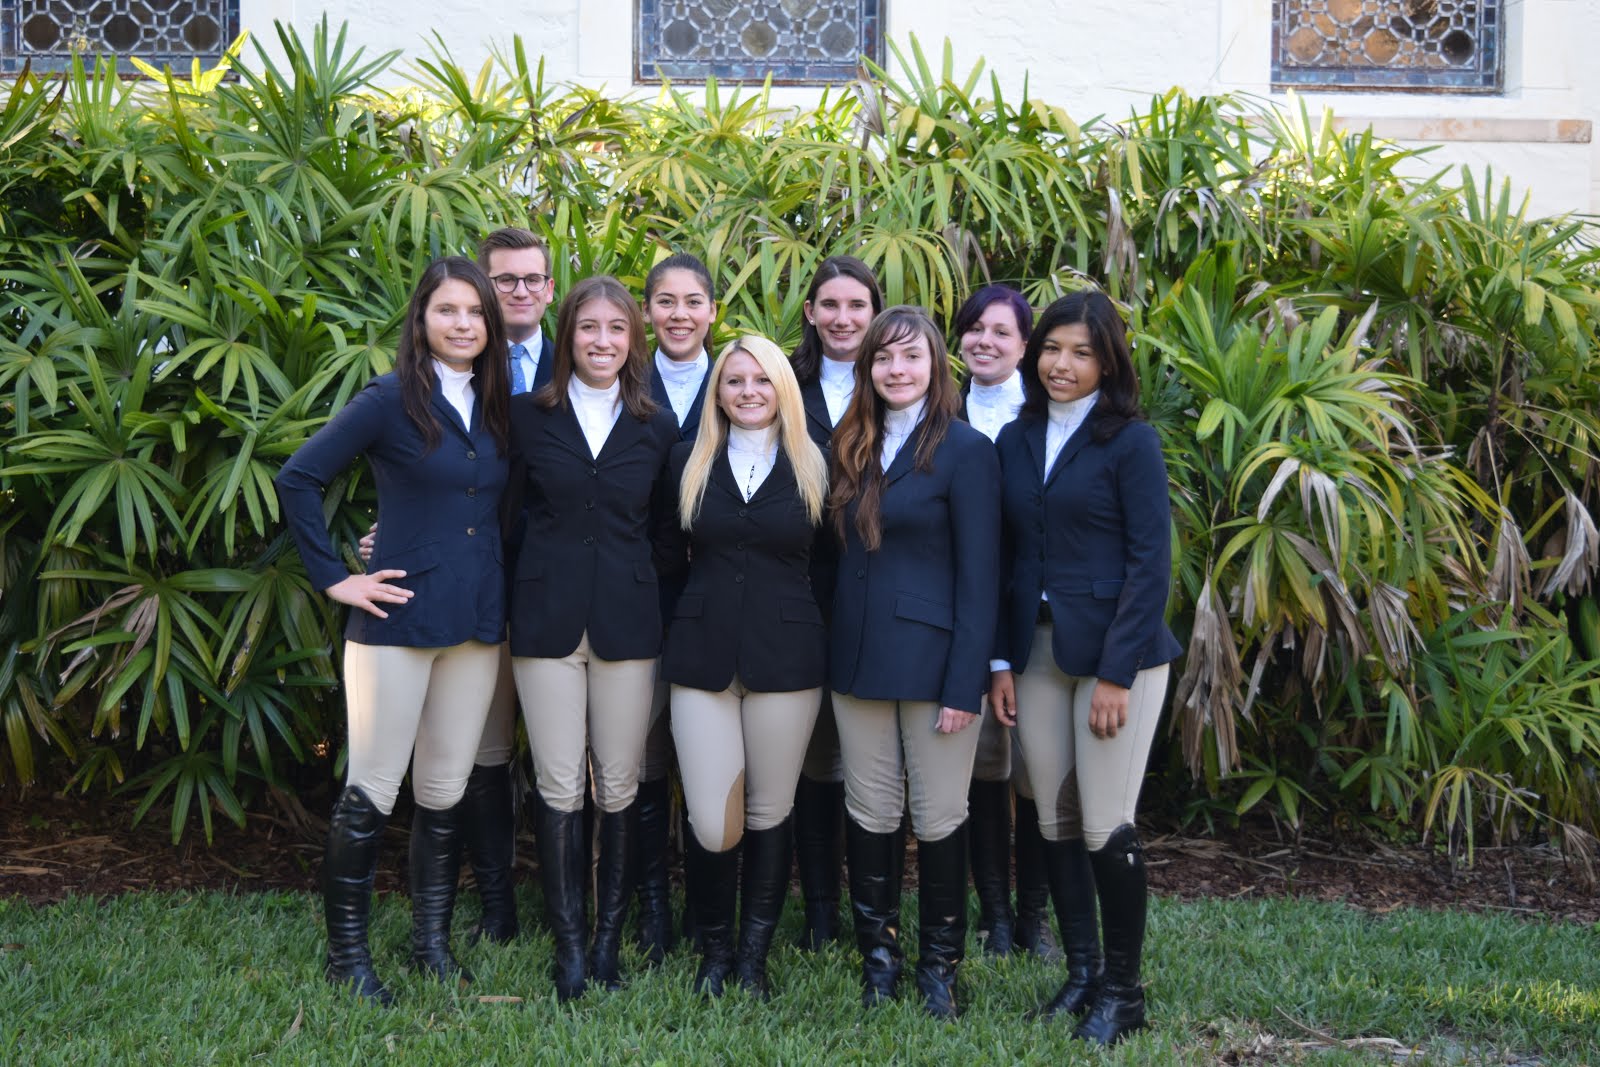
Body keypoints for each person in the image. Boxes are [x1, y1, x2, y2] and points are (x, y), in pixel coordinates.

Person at [274, 256, 512, 1004]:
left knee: (444, 789)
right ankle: (347, 957)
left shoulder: (497, 401)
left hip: (475, 622)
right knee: (372, 788)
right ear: (421, 319)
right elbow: (299, 477)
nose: (463, 324)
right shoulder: (388, 398)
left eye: (475, 312)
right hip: (396, 619)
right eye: (447, 310)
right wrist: (336, 576)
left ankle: (430, 944)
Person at [988, 291, 1182, 1045]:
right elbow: (1007, 557)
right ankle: (1082, 974)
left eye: (1081, 352)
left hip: (1114, 659)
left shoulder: (1130, 442)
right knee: (1054, 819)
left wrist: (1116, 674)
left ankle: (1124, 993)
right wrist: (1001, 661)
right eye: (1051, 348)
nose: (1061, 364)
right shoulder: (1017, 436)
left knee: (1104, 823)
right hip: (1036, 654)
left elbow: (1150, 564)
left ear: (1109, 362)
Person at [357, 227, 560, 945]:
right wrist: (398, 535)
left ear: (550, 289)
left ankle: (558, 909)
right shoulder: (441, 378)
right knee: (481, 753)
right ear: (481, 288)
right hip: (469, 587)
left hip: (555, 585)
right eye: (503, 280)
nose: (518, 292)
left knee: (562, 761)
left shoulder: (580, 359)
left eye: (531, 279)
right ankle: (497, 906)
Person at [504, 275, 681, 1002]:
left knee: (619, 782)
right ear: (567, 336)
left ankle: (609, 940)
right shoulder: (526, 416)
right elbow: (504, 518)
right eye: (588, 327)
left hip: (628, 625)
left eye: (616, 328)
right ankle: (570, 946)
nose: (602, 341)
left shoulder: (658, 426)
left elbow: (667, 535)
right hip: (545, 620)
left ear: (633, 339)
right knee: (558, 783)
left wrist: (635, 587)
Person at [826, 305, 1000, 1019]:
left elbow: (981, 579)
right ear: (867, 367)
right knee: (870, 812)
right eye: (883, 357)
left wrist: (966, 682)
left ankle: (939, 970)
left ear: (935, 365)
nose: (897, 370)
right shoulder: (848, 444)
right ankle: (879, 962)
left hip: (935, 668)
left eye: (911, 356)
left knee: (939, 816)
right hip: (857, 662)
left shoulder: (966, 450)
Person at [660, 335, 831, 997]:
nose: (749, 391)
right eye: (735, 380)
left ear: (782, 388)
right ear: (718, 392)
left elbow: (831, 567)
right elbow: (664, 556)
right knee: (712, 819)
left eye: (762, 380)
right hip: (701, 655)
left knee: (770, 811)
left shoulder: (816, 461)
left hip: (787, 658)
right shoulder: (687, 459)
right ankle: (714, 949)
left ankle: (751, 957)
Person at [951, 285, 1055, 959]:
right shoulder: (940, 409)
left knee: (1036, 771)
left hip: (1031, 625)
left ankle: (1035, 916)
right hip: (963, 623)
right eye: (974, 329)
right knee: (984, 771)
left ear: (1024, 345)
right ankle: (993, 912)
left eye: (1001, 332)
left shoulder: (1044, 420)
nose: (984, 341)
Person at [786, 255, 884, 951]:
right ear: (811, 313)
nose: (843, 318)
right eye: (830, 305)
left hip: (877, 596)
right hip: (798, 595)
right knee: (816, 759)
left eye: (857, 306)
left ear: (875, 314)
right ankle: (820, 909)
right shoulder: (783, 385)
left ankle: (873, 905)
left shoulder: (899, 382)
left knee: (871, 764)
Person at [636, 253, 720, 962]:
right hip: (645, 596)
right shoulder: (622, 382)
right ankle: (652, 903)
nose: (679, 314)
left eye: (693, 301)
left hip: (724, 601)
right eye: (666, 301)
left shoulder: (742, 381)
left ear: (713, 312)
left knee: (709, 760)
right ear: (647, 312)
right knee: (646, 755)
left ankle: (705, 903)